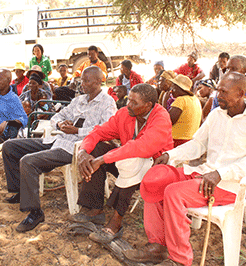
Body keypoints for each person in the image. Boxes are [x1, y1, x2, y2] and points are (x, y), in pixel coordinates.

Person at [124, 72, 246, 266]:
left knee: (173, 193)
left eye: (224, 91)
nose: (218, 95)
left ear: (241, 93)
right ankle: (157, 247)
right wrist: (171, 155)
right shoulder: (216, 115)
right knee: (153, 181)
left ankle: (180, 259)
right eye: (218, 89)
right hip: (203, 174)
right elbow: (198, 145)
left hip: (228, 186)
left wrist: (220, 173)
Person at [1, 66, 117, 233]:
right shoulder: (79, 100)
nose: (82, 84)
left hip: (75, 148)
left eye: (86, 81)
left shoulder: (107, 102)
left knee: (28, 161)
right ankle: (20, 191)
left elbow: (106, 130)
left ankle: (35, 212)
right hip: (57, 139)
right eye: (81, 80)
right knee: (10, 146)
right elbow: (57, 116)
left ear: (99, 81)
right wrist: (61, 124)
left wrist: (78, 131)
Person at [70, 84, 173, 244]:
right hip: (128, 163)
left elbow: (141, 147)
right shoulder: (125, 113)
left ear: (148, 106)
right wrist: (84, 151)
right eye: (128, 100)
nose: (128, 105)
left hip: (155, 169)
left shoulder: (161, 118)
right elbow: (98, 132)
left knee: (132, 161)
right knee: (97, 148)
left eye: (134, 102)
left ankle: (116, 223)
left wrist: (102, 159)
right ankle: (94, 208)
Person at [168, 75, 202, 147]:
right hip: (191, 141)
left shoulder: (181, 100)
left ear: (179, 88)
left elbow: (168, 121)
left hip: (177, 142)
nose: (171, 91)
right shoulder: (195, 99)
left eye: (173, 88)